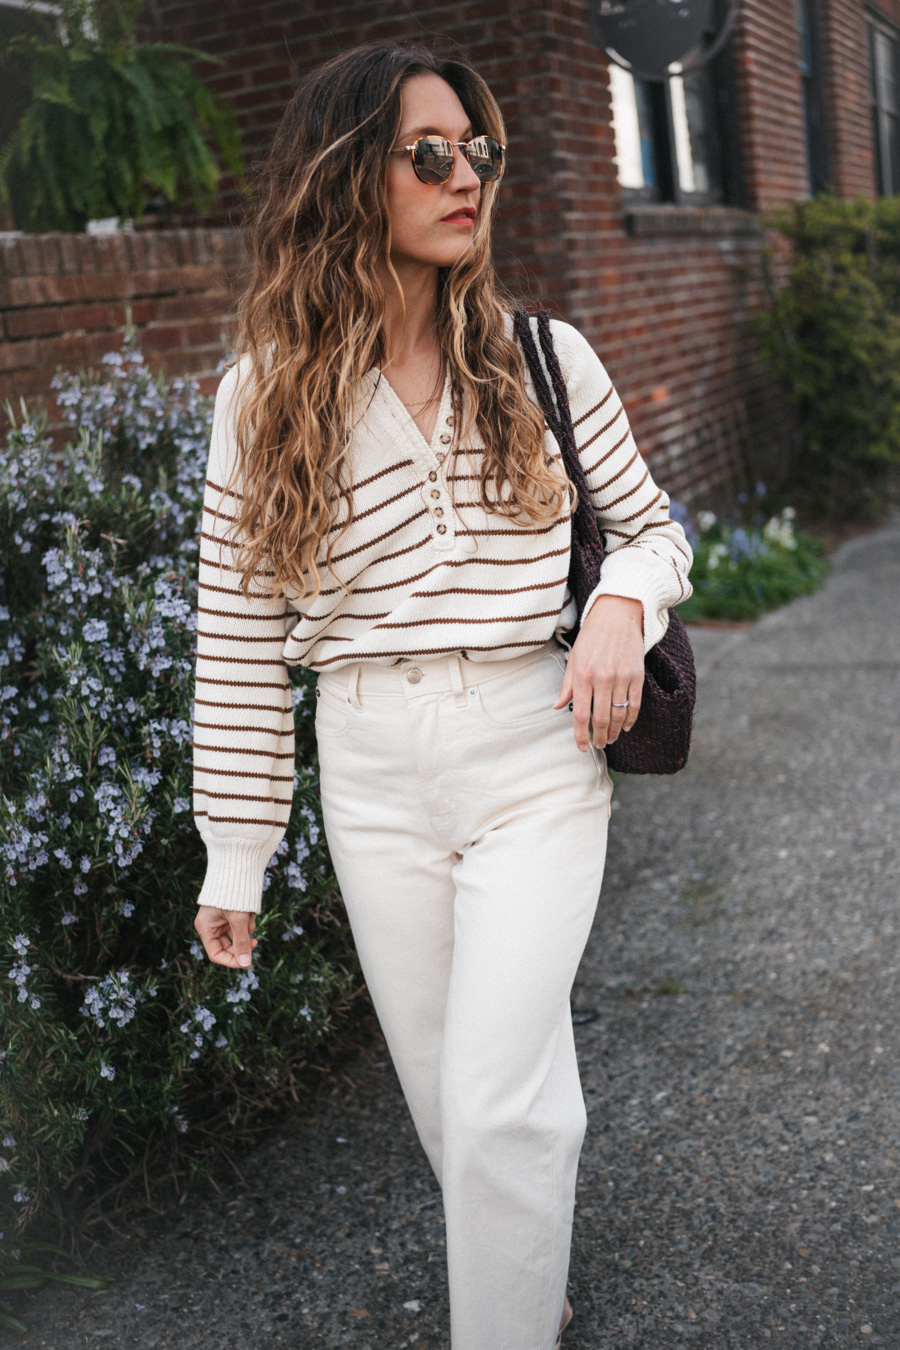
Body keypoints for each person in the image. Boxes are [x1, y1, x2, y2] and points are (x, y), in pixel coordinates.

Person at [191, 41, 693, 1350]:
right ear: (347, 174)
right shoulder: (260, 398)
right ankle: (530, 1267)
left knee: (490, 1095)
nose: (466, 175)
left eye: (480, 153)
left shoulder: (545, 357)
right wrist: (236, 849)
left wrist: (620, 610)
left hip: (535, 749)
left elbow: (651, 529)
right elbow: (238, 635)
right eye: (431, 153)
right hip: (371, 768)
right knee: (455, 1100)